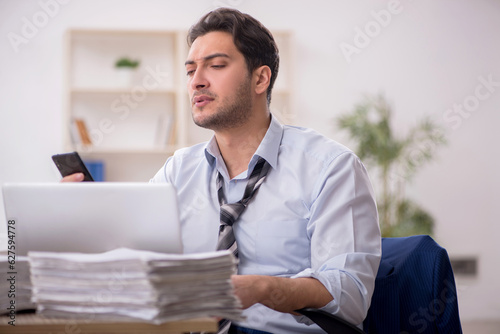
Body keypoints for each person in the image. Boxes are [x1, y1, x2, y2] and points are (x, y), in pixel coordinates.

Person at [65, 8, 381, 334]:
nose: (197, 81)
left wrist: (262, 289)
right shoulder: (178, 169)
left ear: (260, 78)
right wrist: (89, 215)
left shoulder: (330, 167)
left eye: (216, 66)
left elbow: (351, 295)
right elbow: (133, 249)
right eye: (190, 71)